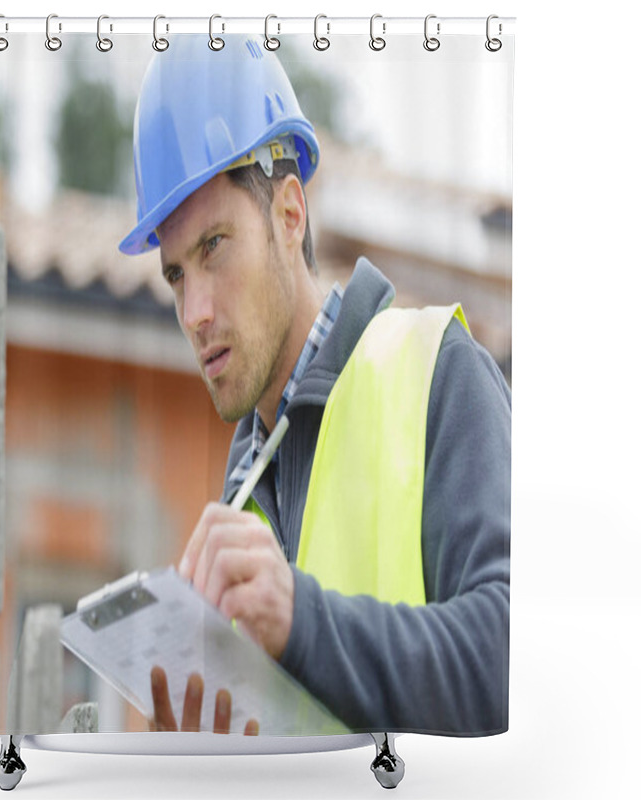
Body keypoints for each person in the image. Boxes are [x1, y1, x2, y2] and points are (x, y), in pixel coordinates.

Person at [119, 35, 510, 736]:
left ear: (290, 214)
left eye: (214, 248)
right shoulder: (243, 491)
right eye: (177, 274)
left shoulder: (439, 376)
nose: (195, 312)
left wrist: (303, 620)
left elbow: (515, 661)